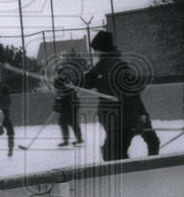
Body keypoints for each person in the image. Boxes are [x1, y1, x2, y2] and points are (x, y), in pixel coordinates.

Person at [84, 30, 160, 161]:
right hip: (112, 118)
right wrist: (66, 81)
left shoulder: (119, 67)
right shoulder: (100, 67)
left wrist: (138, 119)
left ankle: (148, 169)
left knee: (114, 153)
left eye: (96, 50)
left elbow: (132, 96)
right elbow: (87, 81)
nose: (94, 53)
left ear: (103, 49)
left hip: (123, 119)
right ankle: (138, 168)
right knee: (114, 153)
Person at [53, 52, 84, 147]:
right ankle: (71, 139)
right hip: (64, 105)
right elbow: (57, 90)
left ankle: (77, 139)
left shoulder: (69, 81)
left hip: (71, 104)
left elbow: (71, 91)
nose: (61, 75)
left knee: (71, 121)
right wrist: (57, 103)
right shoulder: (58, 82)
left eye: (63, 74)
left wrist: (67, 85)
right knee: (63, 122)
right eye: (60, 74)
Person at [0, 81, 15, 156]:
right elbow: (6, 106)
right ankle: (11, 147)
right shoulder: (5, 97)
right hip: (2, 116)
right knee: (10, 131)